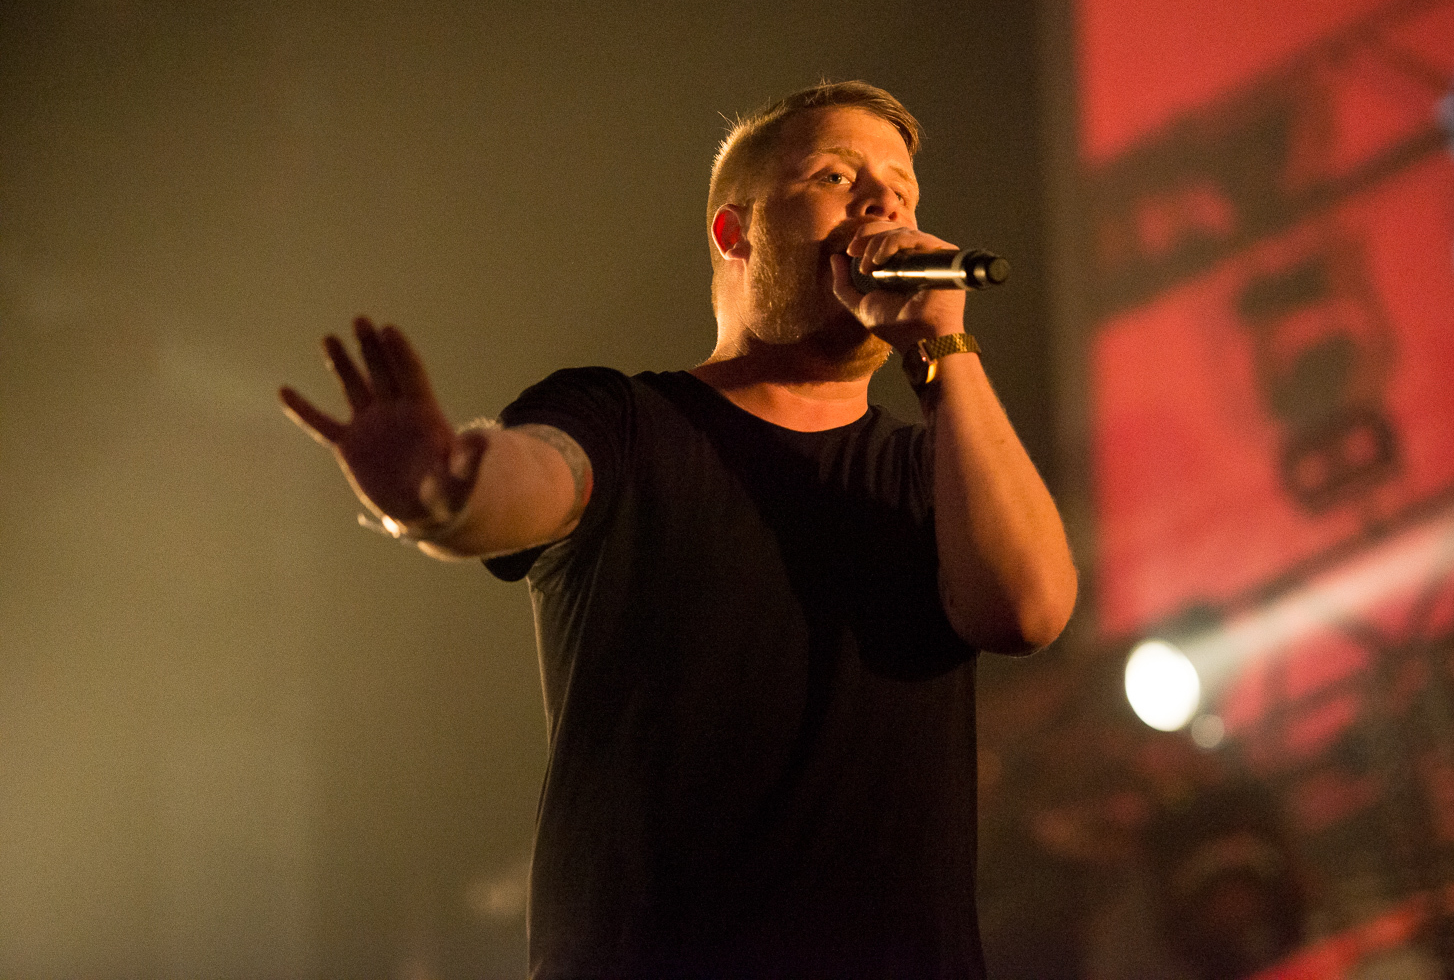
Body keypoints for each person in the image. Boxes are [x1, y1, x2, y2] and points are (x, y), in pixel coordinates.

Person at [280, 80, 1076, 979]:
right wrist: (441, 489)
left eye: (901, 189)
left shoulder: (936, 468)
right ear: (735, 233)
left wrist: (943, 350)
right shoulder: (624, 420)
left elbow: (1027, 609)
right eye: (836, 175)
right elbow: (534, 479)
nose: (883, 203)